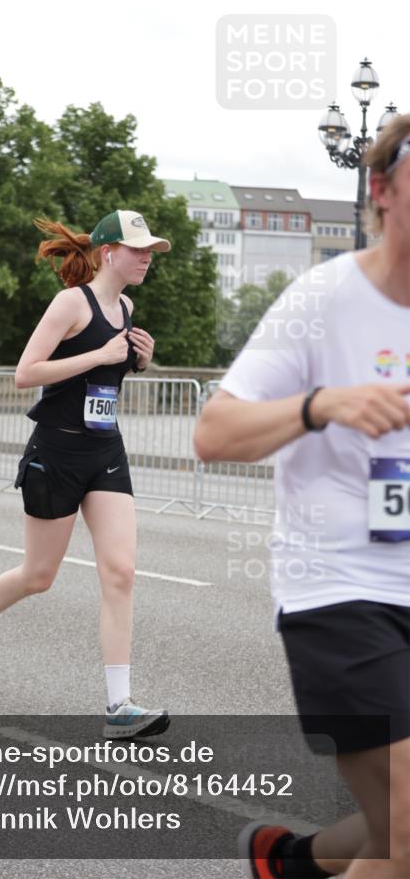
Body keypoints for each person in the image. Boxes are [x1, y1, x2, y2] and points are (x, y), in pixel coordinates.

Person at [194, 115, 410, 879]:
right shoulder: (324, 298)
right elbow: (213, 433)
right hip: (339, 592)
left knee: (394, 827)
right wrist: (321, 405)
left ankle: (290, 862)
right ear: (380, 191)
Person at [0, 210, 171, 738]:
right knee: (38, 576)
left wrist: (140, 360)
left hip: (105, 451)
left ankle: (119, 706)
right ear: (108, 251)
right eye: (138, 248)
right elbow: (27, 373)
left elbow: (105, 375)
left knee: (120, 572)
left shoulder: (128, 307)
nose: (146, 258)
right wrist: (100, 351)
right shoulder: (72, 303)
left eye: (149, 250)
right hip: (57, 452)